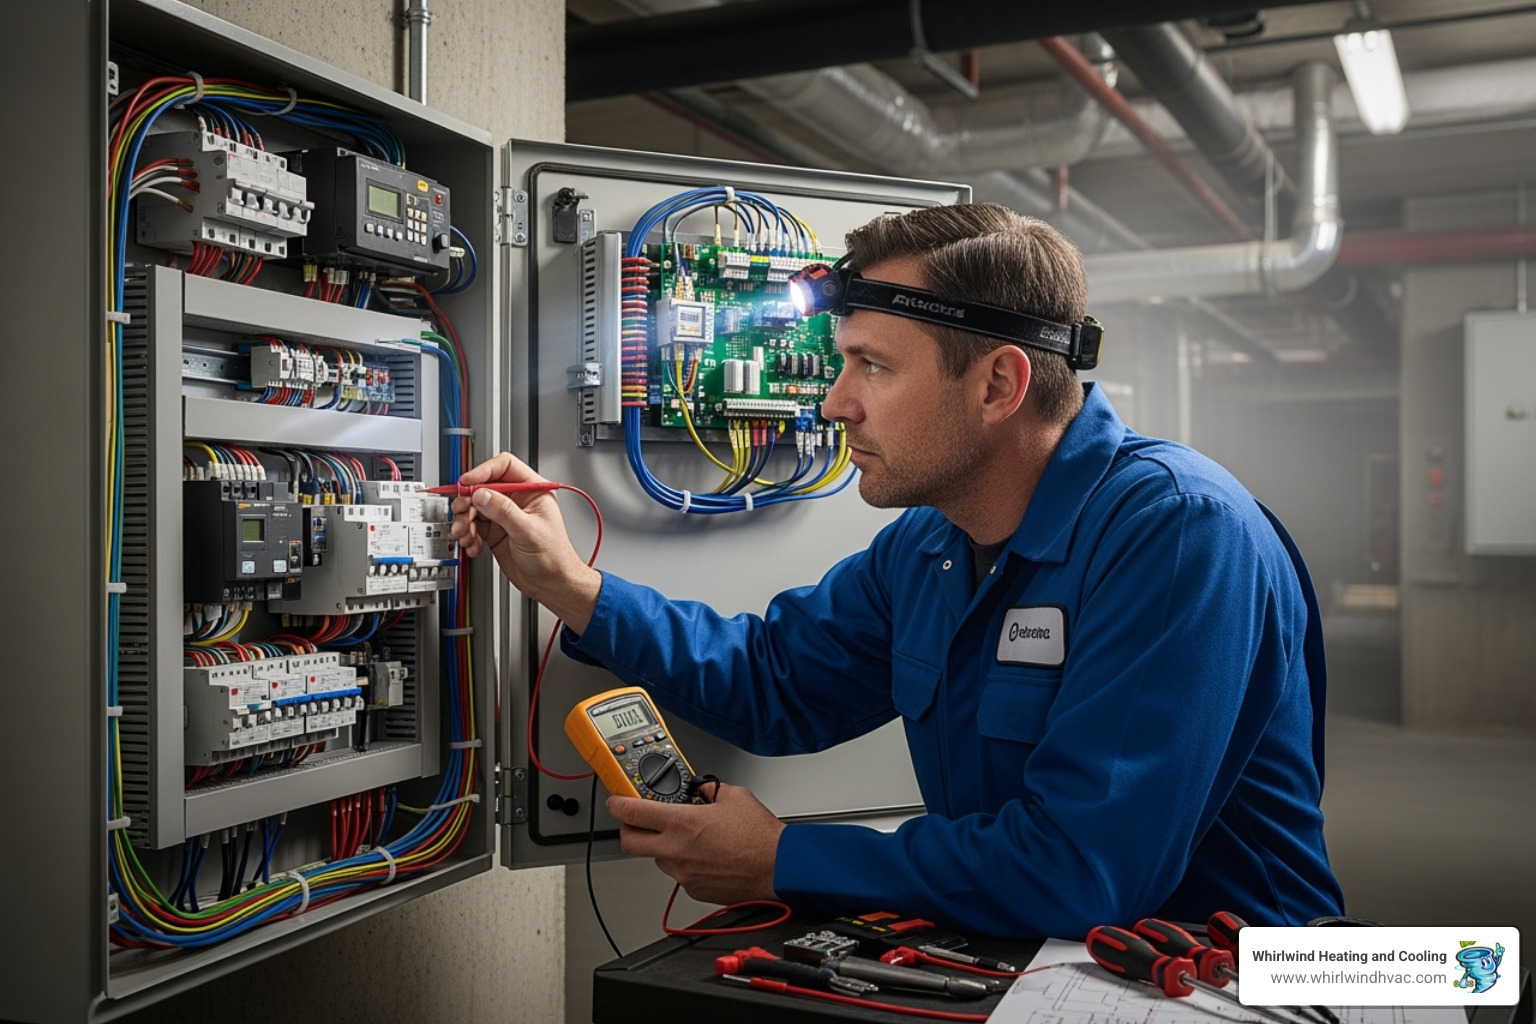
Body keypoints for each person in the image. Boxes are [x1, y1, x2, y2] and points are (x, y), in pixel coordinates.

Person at [449, 203, 1344, 938]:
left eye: (871, 366)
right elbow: (777, 680)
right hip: (1035, 959)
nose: (836, 404)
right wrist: (572, 586)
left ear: (998, 385)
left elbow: (1081, 869)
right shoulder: (930, 544)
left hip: (1230, 981)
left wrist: (779, 860)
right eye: (844, 362)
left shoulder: (1178, 534)